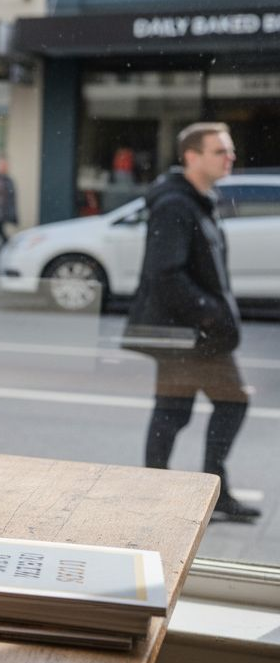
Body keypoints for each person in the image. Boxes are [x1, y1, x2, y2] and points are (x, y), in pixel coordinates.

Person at [124, 122, 258, 521]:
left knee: (176, 407)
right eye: (220, 151)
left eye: (230, 150)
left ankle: (178, 489)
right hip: (189, 331)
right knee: (217, 403)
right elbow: (166, 274)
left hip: (193, 330)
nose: (229, 157)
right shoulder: (175, 205)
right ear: (191, 156)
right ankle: (181, 489)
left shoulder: (200, 200)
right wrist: (211, 315)